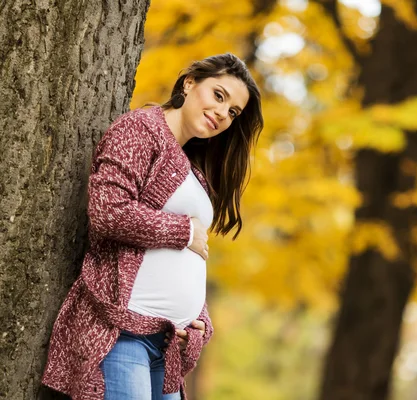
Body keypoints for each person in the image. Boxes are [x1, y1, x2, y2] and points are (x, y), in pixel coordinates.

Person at [42, 53, 264, 400]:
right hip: (122, 335)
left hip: (166, 346)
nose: (223, 113)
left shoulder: (193, 167)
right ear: (190, 83)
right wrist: (184, 232)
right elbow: (108, 210)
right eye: (219, 96)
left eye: (233, 112)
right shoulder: (141, 129)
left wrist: (199, 321)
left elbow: (189, 259)